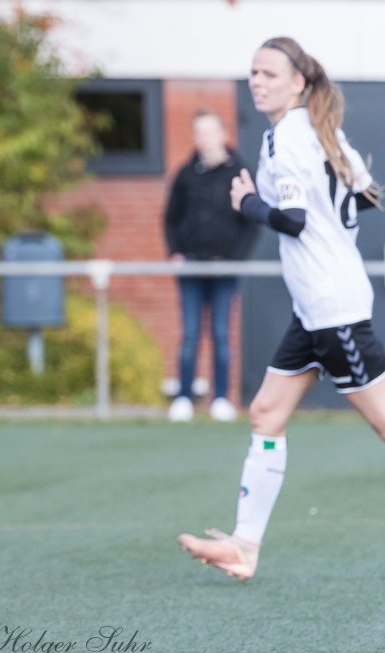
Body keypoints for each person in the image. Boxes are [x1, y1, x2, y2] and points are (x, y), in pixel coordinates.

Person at [179, 36, 385, 581]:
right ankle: (244, 546)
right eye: (253, 72)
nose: (257, 81)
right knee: (266, 414)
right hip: (314, 308)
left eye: (270, 72)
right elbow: (366, 194)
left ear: (298, 82)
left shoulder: (287, 137)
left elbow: (291, 219)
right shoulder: (322, 130)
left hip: (331, 307)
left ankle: (246, 544)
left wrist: (248, 204)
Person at [164, 110, 258, 423]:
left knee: (220, 333)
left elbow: (251, 222)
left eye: (209, 132)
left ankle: (221, 399)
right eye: (198, 133)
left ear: (222, 133)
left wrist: (235, 256)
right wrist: (176, 251)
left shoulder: (239, 171)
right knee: (190, 334)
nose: (203, 139)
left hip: (224, 269)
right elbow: (171, 217)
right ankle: (183, 399)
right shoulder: (186, 173)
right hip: (191, 267)